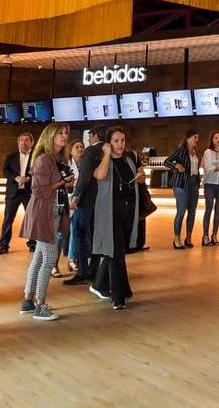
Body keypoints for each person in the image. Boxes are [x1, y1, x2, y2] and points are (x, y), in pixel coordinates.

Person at [19, 123, 73, 321]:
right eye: (60, 133)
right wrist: (62, 182)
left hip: (53, 211)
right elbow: (38, 191)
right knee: (49, 258)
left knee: (39, 259)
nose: (64, 136)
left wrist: (64, 183)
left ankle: (28, 300)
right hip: (44, 213)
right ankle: (40, 305)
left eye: (66, 133)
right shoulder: (44, 159)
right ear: (49, 136)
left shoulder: (56, 159)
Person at [92, 126, 146, 310]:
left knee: (114, 251)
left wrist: (140, 178)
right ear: (108, 143)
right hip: (109, 214)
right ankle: (119, 295)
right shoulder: (102, 160)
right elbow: (100, 175)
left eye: (122, 140)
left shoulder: (129, 161)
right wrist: (107, 154)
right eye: (116, 141)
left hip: (127, 213)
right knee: (115, 253)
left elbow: (136, 184)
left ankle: (99, 285)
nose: (120, 144)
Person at [64, 128, 103, 286]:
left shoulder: (92, 151)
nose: (82, 147)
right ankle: (91, 271)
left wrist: (77, 195)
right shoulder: (106, 151)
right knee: (91, 236)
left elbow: (85, 176)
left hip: (85, 202)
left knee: (81, 234)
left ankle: (84, 272)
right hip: (97, 201)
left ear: (93, 136)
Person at [0, 132, 34, 254]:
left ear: (32, 143)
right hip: (13, 192)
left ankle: (32, 243)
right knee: (8, 219)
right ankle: (4, 245)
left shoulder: (36, 156)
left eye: (27, 140)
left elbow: (39, 172)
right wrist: (16, 178)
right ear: (18, 143)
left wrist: (28, 178)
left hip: (29, 192)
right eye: (21, 140)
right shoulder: (11, 156)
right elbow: (5, 170)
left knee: (31, 219)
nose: (24, 142)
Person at [165, 130, 200, 249]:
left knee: (192, 212)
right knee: (181, 211)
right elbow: (167, 161)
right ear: (188, 138)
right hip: (181, 184)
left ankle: (188, 238)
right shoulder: (181, 150)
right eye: (195, 137)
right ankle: (176, 239)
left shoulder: (195, 152)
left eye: (197, 137)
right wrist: (176, 166)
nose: (197, 140)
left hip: (194, 184)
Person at [201, 131, 219, 246]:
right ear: (212, 140)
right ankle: (205, 235)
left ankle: (214, 234)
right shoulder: (207, 152)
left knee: (218, 210)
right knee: (208, 210)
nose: (218, 140)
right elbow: (207, 168)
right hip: (210, 184)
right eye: (216, 138)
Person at [64, 138, 86, 276]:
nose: (80, 149)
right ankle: (71, 258)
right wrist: (72, 183)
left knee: (76, 230)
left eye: (81, 147)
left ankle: (73, 258)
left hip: (82, 201)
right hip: (69, 200)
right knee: (70, 231)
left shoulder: (86, 164)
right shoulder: (66, 165)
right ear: (70, 151)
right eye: (76, 147)